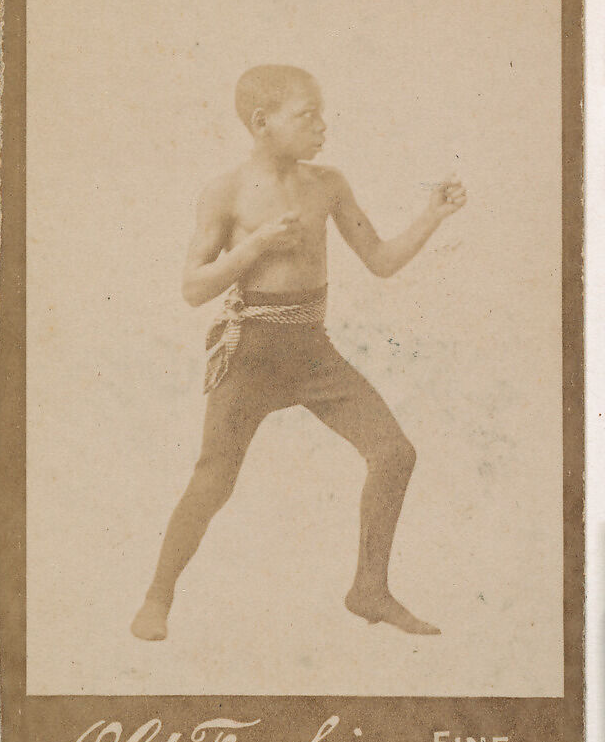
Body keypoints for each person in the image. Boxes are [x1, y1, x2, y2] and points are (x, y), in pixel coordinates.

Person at [131, 65, 466, 641]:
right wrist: (253, 248)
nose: (322, 125)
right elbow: (192, 289)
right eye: (306, 114)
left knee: (394, 454)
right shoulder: (226, 191)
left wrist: (433, 215)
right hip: (252, 354)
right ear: (262, 123)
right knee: (213, 480)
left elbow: (381, 261)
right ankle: (156, 598)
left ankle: (369, 589)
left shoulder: (328, 183)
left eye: (321, 113)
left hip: (313, 353)